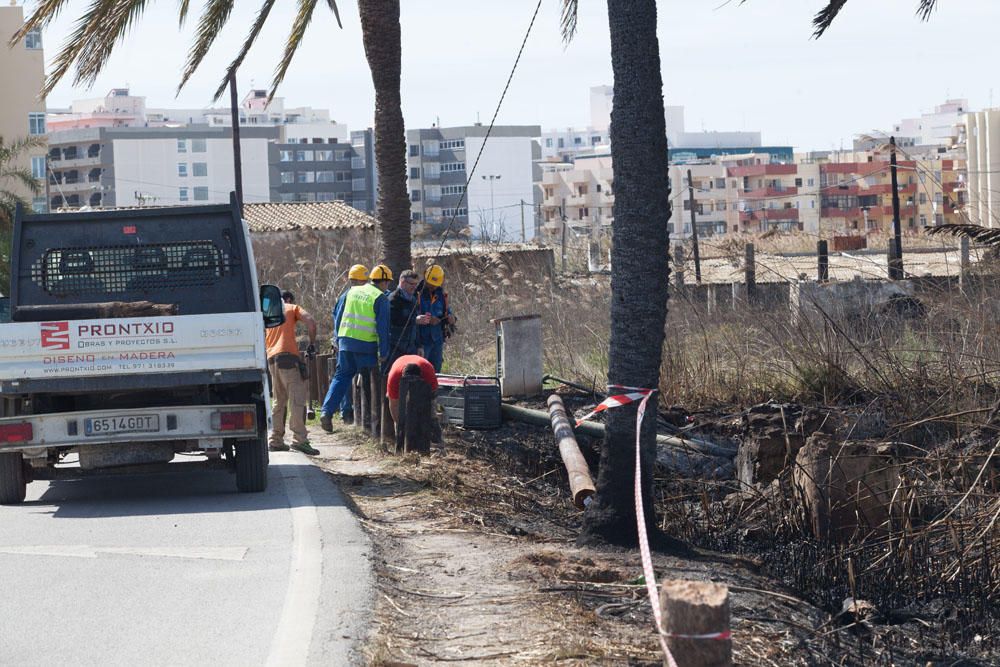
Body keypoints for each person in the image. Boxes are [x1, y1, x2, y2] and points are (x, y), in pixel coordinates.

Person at [320, 264, 390, 432]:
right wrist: (384, 352)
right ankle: (369, 426)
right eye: (388, 283)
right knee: (368, 384)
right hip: (366, 346)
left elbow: (338, 317)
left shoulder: (351, 292)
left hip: (345, 343)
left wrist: (338, 340)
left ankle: (326, 412)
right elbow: (383, 329)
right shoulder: (380, 298)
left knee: (341, 377)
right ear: (384, 282)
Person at [265, 290, 320, 455]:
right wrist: (311, 343)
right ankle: (299, 440)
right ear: (288, 299)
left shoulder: (269, 314)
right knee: (297, 399)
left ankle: (275, 440)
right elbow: (311, 323)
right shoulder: (291, 307)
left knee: (279, 399)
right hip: (288, 358)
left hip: (271, 359)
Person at [416, 264, 456, 372]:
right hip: (422, 341)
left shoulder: (441, 295)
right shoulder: (416, 294)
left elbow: (448, 312)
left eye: (435, 284)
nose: (433, 287)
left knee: (436, 373)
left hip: (437, 340)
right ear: (425, 277)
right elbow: (410, 317)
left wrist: (451, 318)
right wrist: (425, 320)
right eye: (431, 284)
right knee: (421, 372)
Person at [386, 269, 429, 368]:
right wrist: (414, 320)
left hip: (411, 349)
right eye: (411, 284)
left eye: (416, 284)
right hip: (395, 348)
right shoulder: (393, 299)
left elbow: (416, 328)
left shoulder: (414, 299)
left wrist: (419, 346)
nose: (415, 287)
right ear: (402, 283)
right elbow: (394, 320)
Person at [385, 354, 439, 423]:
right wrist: (400, 426)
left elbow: (433, 397)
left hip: (423, 380)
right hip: (399, 366)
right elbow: (394, 405)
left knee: (430, 419)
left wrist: (431, 418)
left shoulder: (428, 372)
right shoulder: (394, 377)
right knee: (400, 423)